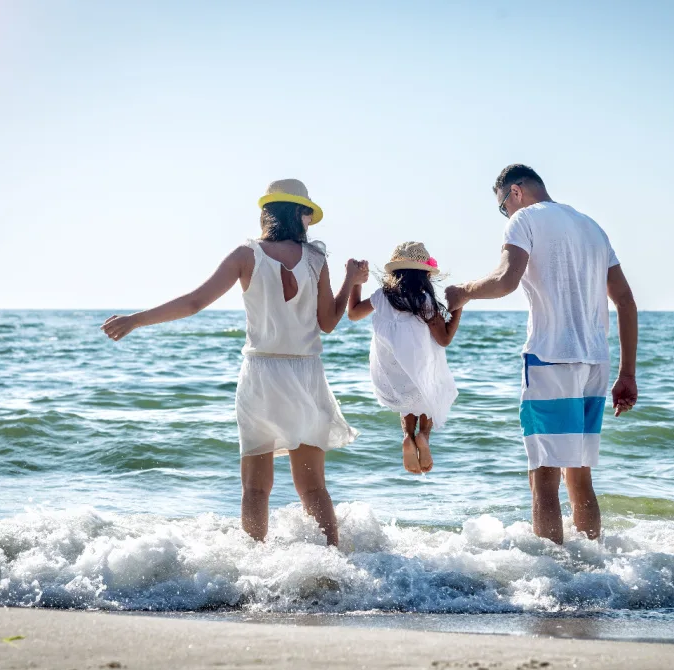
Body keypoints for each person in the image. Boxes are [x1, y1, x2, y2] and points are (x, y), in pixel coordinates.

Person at [100, 179, 363, 546]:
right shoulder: (316, 259)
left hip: (260, 374)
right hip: (305, 374)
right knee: (314, 488)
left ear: (267, 213)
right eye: (307, 214)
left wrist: (136, 319)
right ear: (300, 214)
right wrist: (351, 280)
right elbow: (328, 323)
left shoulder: (246, 255)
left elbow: (194, 303)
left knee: (256, 488)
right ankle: (334, 570)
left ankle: (251, 570)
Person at [445, 164, 638, 543]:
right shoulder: (592, 226)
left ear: (515, 191)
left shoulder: (524, 220)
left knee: (544, 478)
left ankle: (553, 583)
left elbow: (505, 281)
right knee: (579, 477)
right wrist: (627, 373)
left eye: (502, 206)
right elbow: (627, 301)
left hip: (551, 357)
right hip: (595, 362)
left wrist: (463, 292)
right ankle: (592, 573)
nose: (505, 214)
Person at [348, 242, 461, 474]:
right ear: (424, 276)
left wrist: (356, 283)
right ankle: (423, 436)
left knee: (406, 400)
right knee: (427, 399)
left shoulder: (381, 297)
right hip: (419, 368)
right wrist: (458, 309)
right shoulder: (425, 302)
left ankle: (407, 436)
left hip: (389, 371)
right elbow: (444, 339)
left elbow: (353, 313)